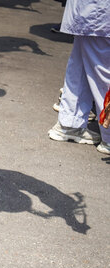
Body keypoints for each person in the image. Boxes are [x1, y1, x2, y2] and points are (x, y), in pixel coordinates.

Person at [47, 0, 110, 155]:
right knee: (101, 66)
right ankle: (108, 136)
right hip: (97, 12)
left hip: (91, 11)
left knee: (82, 62)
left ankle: (70, 124)